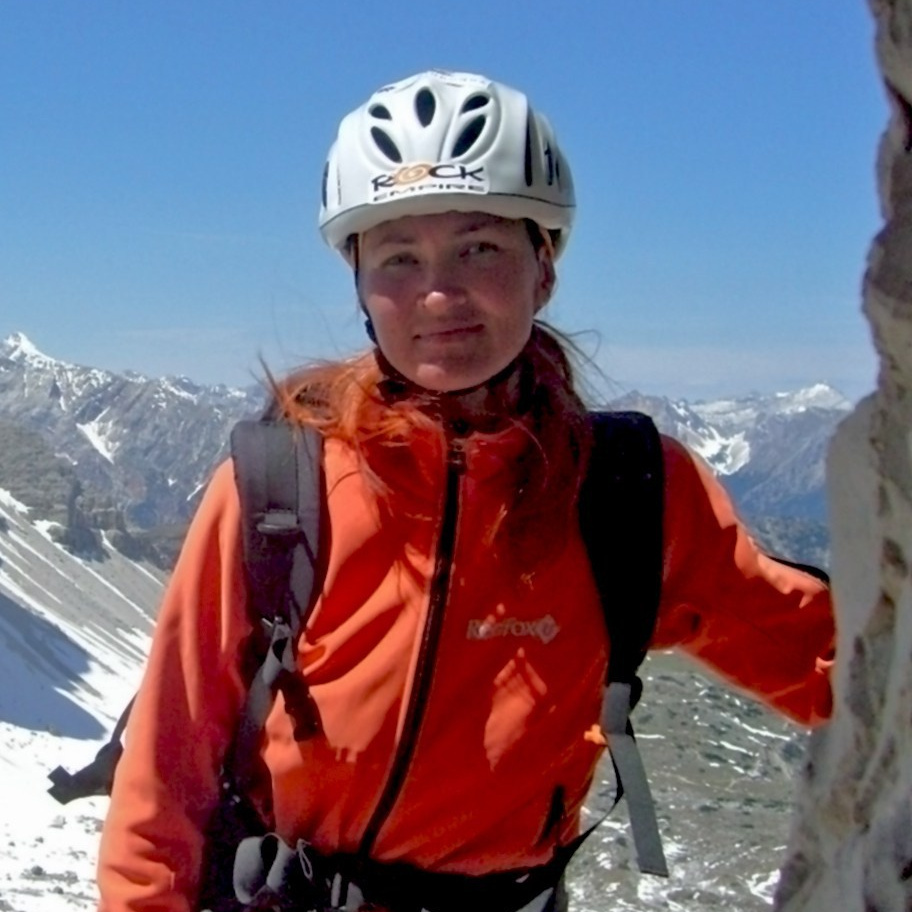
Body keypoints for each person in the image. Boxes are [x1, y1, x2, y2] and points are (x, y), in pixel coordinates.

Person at [96, 70, 835, 912]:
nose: (439, 294)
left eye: (479, 248)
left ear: (543, 267)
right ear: (363, 289)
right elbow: (169, 761)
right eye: (399, 259)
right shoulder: (280, 481)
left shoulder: (630, 491)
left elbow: (825, 658)